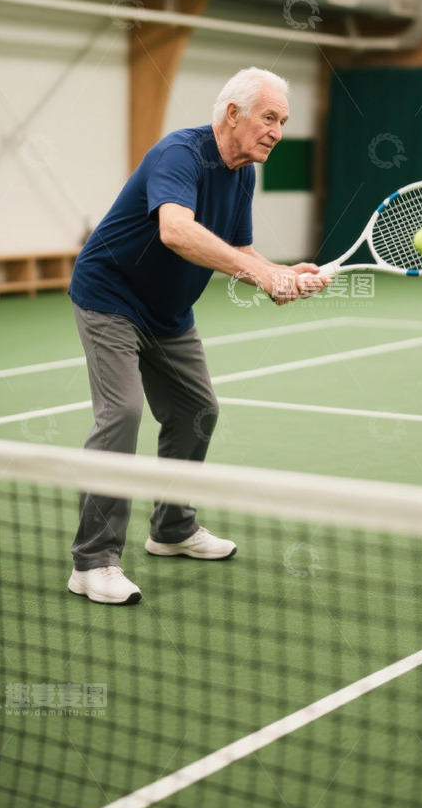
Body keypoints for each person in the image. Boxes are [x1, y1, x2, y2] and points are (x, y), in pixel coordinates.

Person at [66, 67, 328, 605]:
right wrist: (262, 276)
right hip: (110, 296)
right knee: (122, 414)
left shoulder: (243, 174)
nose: (278, 130)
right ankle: (92, 562)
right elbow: (176, 230)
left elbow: (238, 247)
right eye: (270, 117)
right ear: (233, 114)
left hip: (169, 312)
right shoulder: (181, 154)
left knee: (196, 410)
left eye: (284, 120)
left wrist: (282, 272)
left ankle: (172, 529)